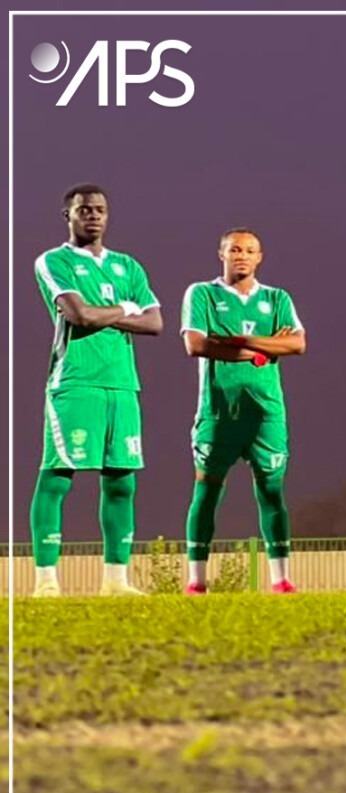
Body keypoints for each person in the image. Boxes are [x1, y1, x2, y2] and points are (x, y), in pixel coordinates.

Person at [31, 183, 165, 598]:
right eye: (84, 209)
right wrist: (126, 310)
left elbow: (156, 323)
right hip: (75, 382)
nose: (93, 215)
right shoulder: (53, 261)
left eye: (100, 210)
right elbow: (79, 316)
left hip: (123, 385)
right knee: (58, 477)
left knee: (122, 481)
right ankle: (47, 583)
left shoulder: (130, 267)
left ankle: (115, 582)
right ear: (67, 215)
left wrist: (112, 315)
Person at [180, 228, 308, 595]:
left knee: (271, 491)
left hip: (266, 412)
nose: (242, 255)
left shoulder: (277, 297)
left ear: (260, 257)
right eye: (235, 249)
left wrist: (239, 341)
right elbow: (197, 344)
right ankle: (196, 581)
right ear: (221, 253)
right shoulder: (202, 293)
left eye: (250, 250)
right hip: (218, 413)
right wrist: (267, 349)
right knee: (206, 492)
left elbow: (297, 343)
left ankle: (281, 579)